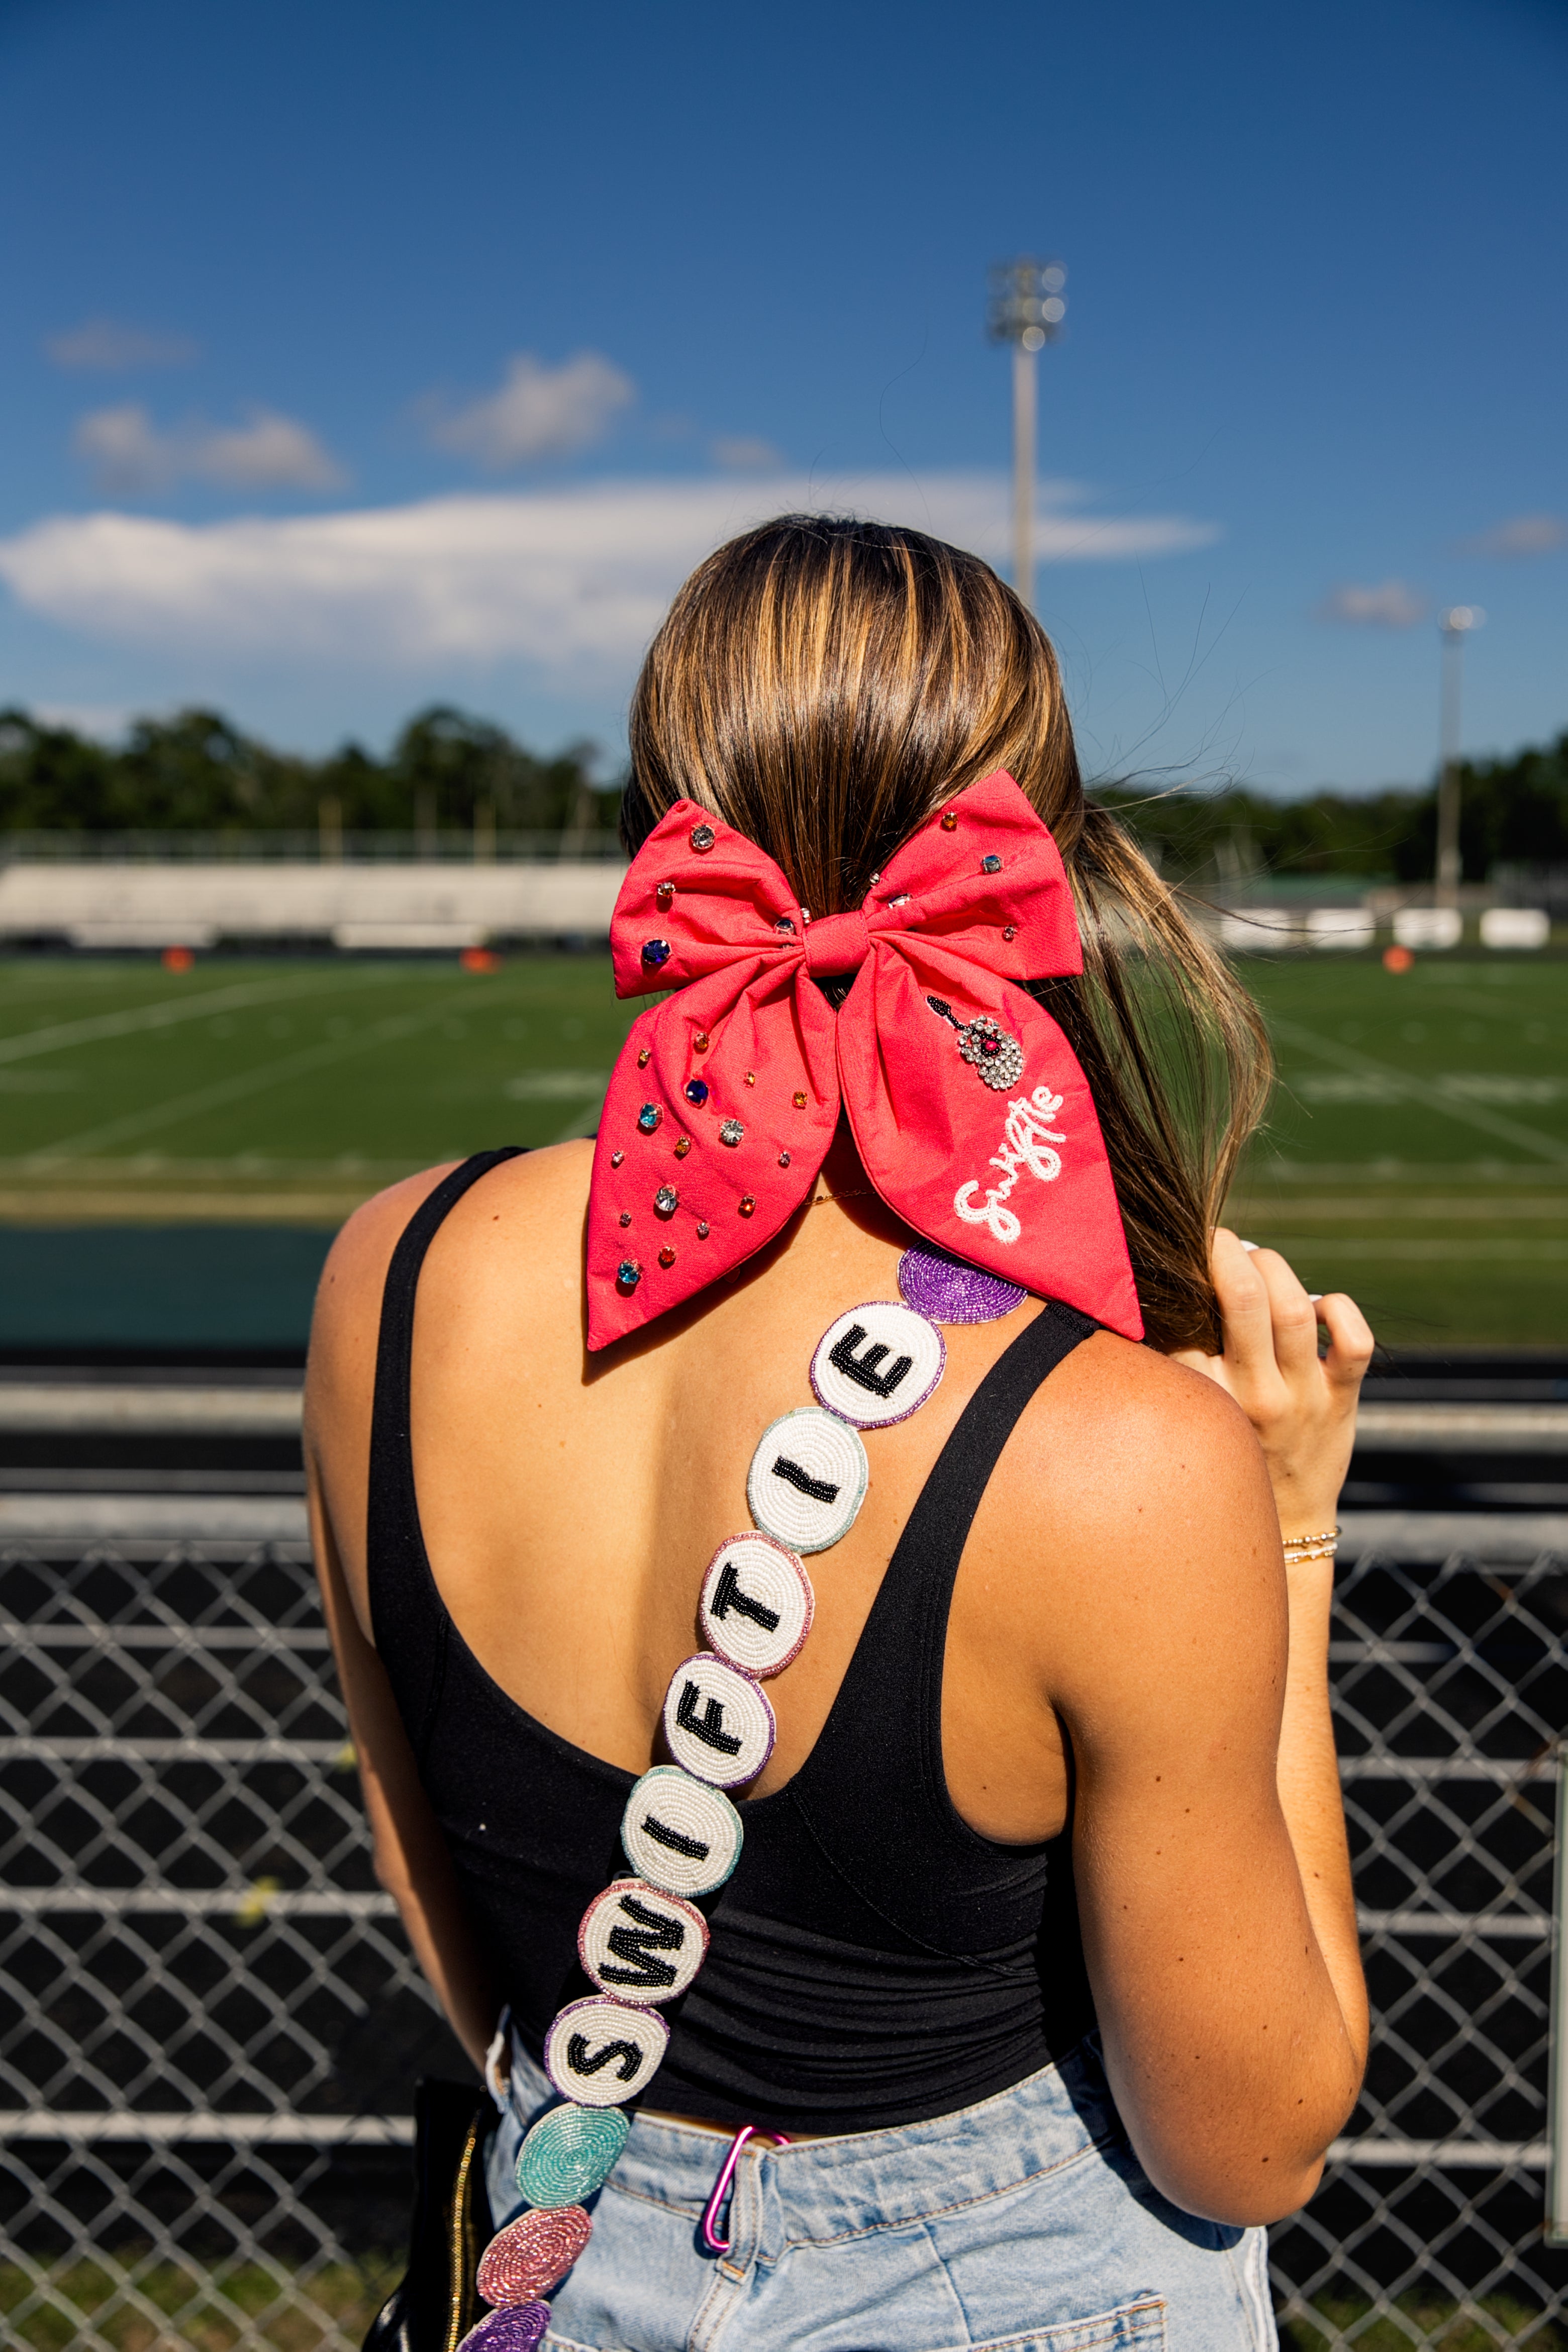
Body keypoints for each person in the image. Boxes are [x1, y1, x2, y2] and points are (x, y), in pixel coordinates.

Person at [306, 517, 1370, 2352]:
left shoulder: (387, 1279)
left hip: (559, 2266)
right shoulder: (1120, 1457)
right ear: (1034, 857)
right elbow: (1252, 2144)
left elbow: (466, 1927)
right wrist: (1284, 1523)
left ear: (660, 823)